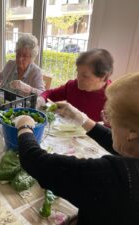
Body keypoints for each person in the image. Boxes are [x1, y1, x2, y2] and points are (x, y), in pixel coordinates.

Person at [15, 72, 139, 225]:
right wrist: (83, 119)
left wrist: (24, 126)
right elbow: (117, 141)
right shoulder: (133, 148)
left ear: (133, 132)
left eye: (111, 116)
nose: (108, 121)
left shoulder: (114, 177)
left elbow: (36, 162)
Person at [37, 49, 113, 122]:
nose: (78, 78)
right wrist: (41, 99)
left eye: (85, 76)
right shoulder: (72, 86)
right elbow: (50, 94)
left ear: (103, 77)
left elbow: (111, 132)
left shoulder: (113, 98)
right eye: (78, 72)